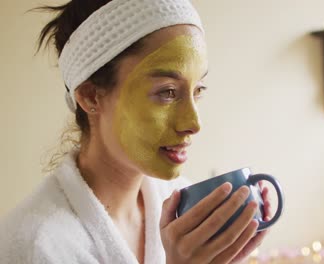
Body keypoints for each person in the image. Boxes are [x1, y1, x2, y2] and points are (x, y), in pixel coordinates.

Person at [0, 0, 273, 263]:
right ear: (91, 96)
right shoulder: (36, 245)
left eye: (197, 90)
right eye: (167, 92)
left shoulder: (182, 204)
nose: (194, 123)